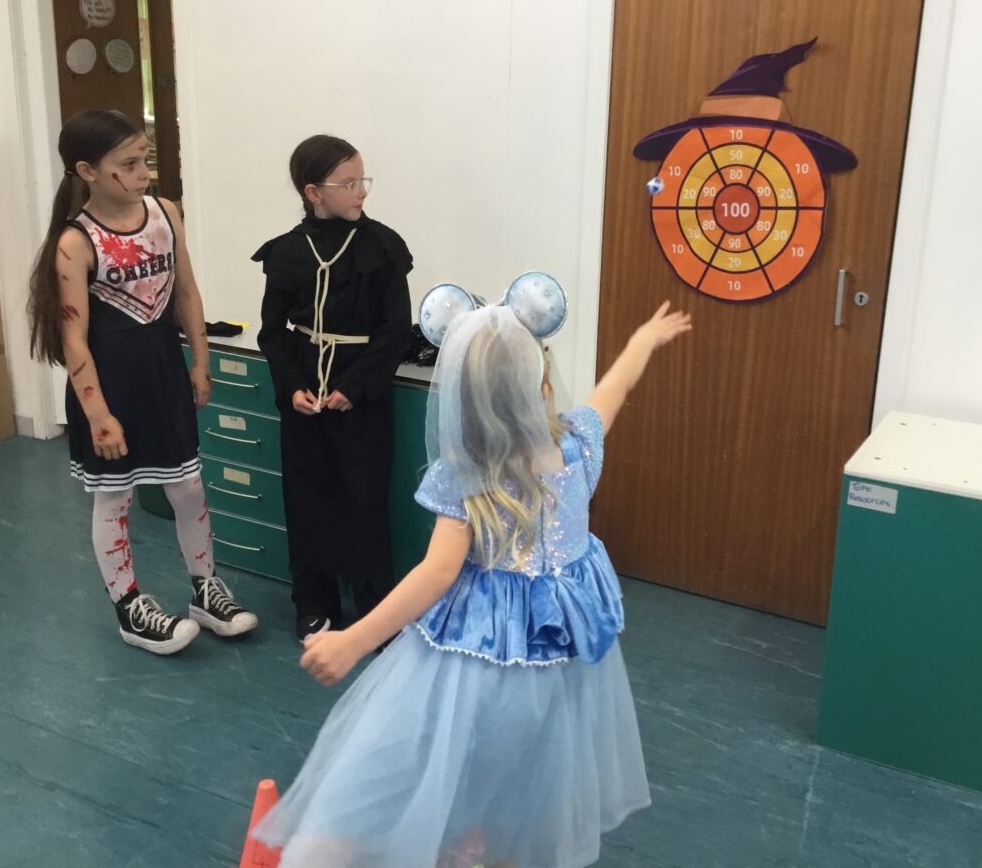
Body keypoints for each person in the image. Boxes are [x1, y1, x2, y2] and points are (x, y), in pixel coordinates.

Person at [253, 281, 693, 868]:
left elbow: (436, 575)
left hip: (474, 663)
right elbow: (614, 388)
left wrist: (352, 640)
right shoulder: (579, 446)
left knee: (419, 764)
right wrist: (643, 340)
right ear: (541, 384)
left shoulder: (468, 474)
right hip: (556, 672)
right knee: (520, 791)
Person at [28, 108, 256, 655]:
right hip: (110, 388)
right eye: (128, 164)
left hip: (163, 375)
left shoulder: (164, 213)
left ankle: (205, 589)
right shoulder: (75, 242)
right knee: (114, 498)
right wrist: (98, 414)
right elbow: (74, 338)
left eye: (144, 159)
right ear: (87, 171)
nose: (142, 173)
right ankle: (129, 606)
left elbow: (187, 291)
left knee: (188, 486)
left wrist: (200, 361)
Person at [253, 135, 413, 642]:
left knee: (364, 500)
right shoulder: (287, 252)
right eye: (348, 183)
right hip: (305, 395)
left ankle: (374, 605)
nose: (360, 192)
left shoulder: (383, 248)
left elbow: (395, 332)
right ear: (313, 191)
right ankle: (312, 602)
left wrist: (354, 386)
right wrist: (292, 387)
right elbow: (272, 333)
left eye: (363, 181)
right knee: (307, 498)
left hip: (359, 394)